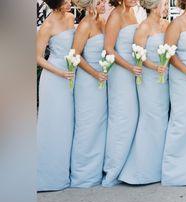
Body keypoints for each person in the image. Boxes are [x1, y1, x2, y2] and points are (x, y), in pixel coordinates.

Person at [119, 0, 170, 184]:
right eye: (164, 4)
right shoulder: (143, 28)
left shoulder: (166, 24)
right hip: (149, 80)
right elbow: (138, 56)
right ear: (154, 6)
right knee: (151, 118)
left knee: (162, 118)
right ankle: (143, 168)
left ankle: (161, 165)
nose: (166, 8)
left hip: (165, 79)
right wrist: (156, 67)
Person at [102, 0, 142, 187]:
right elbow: (109, 49)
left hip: (133, 70)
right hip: (120, 72)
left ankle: (127, 164)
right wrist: (130, 67)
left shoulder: (133, 12)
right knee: (122, 117)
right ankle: (113, 167)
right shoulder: (115, 16)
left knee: (132, 116)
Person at [37, 0, 75, 191]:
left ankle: (64, 170)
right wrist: (59, 72)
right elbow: (37, 57)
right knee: (52, 125)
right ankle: (48, 175)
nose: (70, 3)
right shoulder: (48, 25)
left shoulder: (71, 17)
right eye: (65, 0)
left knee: (67, 125)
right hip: (53, 78)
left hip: (71, 76)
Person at [70, 0, 108, 187]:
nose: (104, 4)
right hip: (88, 80)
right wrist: (95, 74)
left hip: (102, 78)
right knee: (87, 125)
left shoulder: (102, 21)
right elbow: (75, 56)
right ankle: (82, 174)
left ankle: (96, 171)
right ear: (90, 4)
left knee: (100, 124)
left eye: (104, 1)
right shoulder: (85, 24)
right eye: (99, 2)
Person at [161, 0, 186, 186]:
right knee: (182, 119)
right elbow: (169, 54)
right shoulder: (176, 24)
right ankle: (175, 171)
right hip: (183, 78)